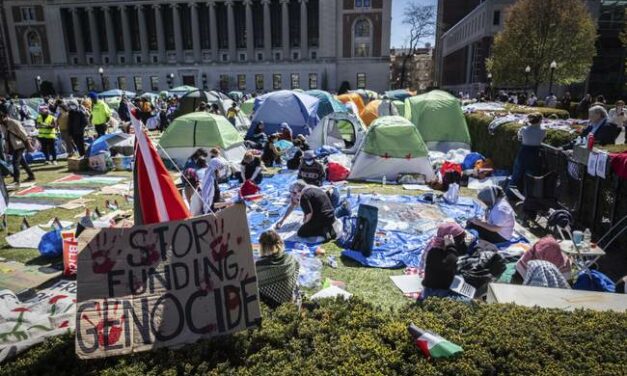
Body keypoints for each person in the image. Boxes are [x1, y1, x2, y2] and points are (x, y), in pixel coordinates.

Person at [420, 223, 470, 301]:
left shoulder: (448, 251)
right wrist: (450, 245)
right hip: (435, 293)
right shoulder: (434, 253)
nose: (462, 240)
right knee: (468, 300)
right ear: (450, 239)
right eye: (460, 238)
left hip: (444, 287)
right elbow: (453, 263)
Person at [255, 230, 300, 308]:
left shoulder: (258, 267)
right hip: (293, 303)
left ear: (262, 246)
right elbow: (296, 272)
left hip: (274, 309)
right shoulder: (290, 258)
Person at [510, 112, 545, 188]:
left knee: (517, 173)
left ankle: (510, 193)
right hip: (535, 152)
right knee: (531, 175)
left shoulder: (524, 129)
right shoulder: (543, 130)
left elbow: (519, 136)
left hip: (524, 151)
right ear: (539, 120)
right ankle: (529, 194)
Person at [0, 108, 35, 185]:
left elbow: (24, 134)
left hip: (19, 144)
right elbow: (5, 137)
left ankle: (16, 180)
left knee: (15, 162)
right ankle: (31, 176)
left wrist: (29, 145)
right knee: (22, 162)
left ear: (3, 117)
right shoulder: (2, 124)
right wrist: (6, 148)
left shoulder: (14, 122)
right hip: (12, 146)